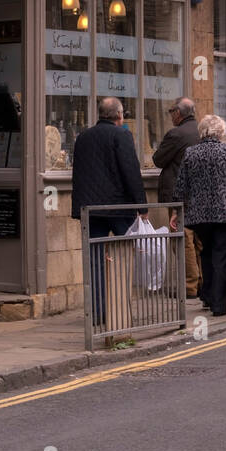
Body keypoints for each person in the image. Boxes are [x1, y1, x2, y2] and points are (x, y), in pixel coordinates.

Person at [71, 97, 147, 324]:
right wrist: (141, 206)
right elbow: (130, 171)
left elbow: (79, 174)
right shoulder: (121, 135)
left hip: (91, 209)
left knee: (95, 260)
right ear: (119, 115)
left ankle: (97, 313)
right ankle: (119, 312)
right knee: (122, 259)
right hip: (118, 207)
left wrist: (79, 208)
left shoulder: (83, 137)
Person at [175, 114, 226, 317]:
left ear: (202, 131)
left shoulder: (190, 153)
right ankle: (219, 305)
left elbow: (181, 185)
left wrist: (177, 211)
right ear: (220, 132)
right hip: (225, 214)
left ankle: (208, 298)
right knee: (221, 258)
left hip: (199, 216)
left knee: (206, 255)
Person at [152, 97, 202, 299]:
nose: (170, 114)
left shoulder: (176, 134)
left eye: (171, 111)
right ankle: (201, 283)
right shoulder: (201, 130)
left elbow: (158, 159)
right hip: (199, 195)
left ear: (178, 113)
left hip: (179, 196)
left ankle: (190, 287)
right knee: (198, 242)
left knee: (183, 241)